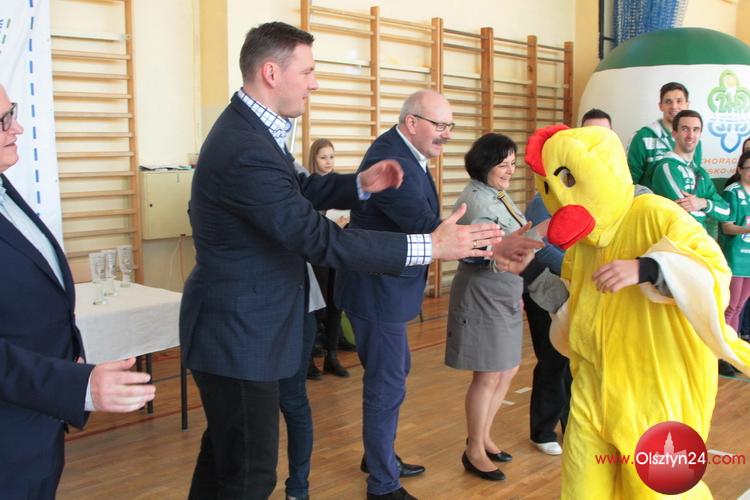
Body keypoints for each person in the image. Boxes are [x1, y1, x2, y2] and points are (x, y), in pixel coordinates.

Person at [179, 23, 503, 500]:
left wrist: (359, 184)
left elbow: (299, 189)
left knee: (226, 465)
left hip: (246, 327)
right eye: (308, 72)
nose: (315, 83)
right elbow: (317, 238)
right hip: (239, 333)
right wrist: (429, 247)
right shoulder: (245, 147)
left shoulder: (252, 131)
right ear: (271, 73)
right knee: (248, 476)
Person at [336, 91, 542, 500]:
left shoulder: (406, 152)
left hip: (387, 288)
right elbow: (431, 230)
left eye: (450, 126)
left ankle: (379, 457)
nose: (447, 134)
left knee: (393, 376)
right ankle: (382, 484)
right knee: (387, 384)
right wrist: (493, 249)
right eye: (440, 125)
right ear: (412, 122)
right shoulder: (392, 160)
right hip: (378, 290)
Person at [525, 124, 750, 499]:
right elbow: (571, 310)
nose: (561, 198)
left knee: (659, 490)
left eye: (569, 180)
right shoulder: (583, 243)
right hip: (593, 391)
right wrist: (529, 270)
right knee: (581, 490)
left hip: (654, 391)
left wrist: (649, 268)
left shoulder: (655, 213)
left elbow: (713, 274)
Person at [0, 84, 156, 499]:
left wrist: (69, 355)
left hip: (36, 426)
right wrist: (77, 386)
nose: (17, 127)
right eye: (3, 120)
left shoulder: (4, 187)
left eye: (12, 112)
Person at [445, 133, 545, 482]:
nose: (510, 170)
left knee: (508, 368)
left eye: (513, 164)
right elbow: (473, 251)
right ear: (485, 164)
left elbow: (515, 237)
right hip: (483, 291)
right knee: (488, 373)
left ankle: (484, 436)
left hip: (505, 289)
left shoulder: (496, 193)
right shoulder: (476, 200)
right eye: (503, 164)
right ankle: (473, 450)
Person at [307, 138, 350, 378]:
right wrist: (329, 225)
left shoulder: (338, 184)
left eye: (331, 157)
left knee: (336, 304)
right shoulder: (307, 186)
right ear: (314, 159)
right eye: (323, 157)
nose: (328, 162)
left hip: (337, 254)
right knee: (316, 307)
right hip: (316, 257)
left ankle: (332, 357)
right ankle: (308, 360)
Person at [650, 109, 731, 229]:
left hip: (700, 239)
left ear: (700, 133)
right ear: (674, 134)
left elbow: (726, 212)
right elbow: (684, 213)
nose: (691, 135)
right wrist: (708, 211)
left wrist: (703, 203)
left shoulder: (701, 173)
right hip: (675, 238)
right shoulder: (666, 168)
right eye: (685, 129)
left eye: (695, 129)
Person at [627, 82, 701, 186]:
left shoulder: (693, 140)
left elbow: (696, 176)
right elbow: (630, 182)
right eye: (668, 102)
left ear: (687, 105)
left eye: (679, 101)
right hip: (652, 197)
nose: (674, 106)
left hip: (686, 197)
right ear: (660, 106)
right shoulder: (642, 138)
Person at [717, 151, 750, 377]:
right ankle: (721, 354)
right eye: (748, 168)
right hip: (735, 257)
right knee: (730, 307)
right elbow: (727, 226)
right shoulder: (732, 192)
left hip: (749, 260)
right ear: (739, 169)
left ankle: (733, 352)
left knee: (739, 307)